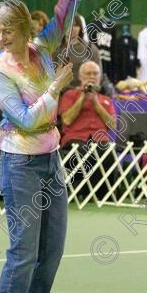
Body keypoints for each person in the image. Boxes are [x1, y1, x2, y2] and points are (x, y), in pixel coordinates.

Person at [0, 0, 74, 293]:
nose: (1, 36)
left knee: (51, 253)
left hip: (51, 160)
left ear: (25, 29)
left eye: (7, 29)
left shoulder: (43, 49)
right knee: (23, 252)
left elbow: (64, 14)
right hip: (19, 162)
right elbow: (23, 119)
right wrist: (55, 89)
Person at [58, 61, 117, 199]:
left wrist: (96, 103)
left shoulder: (105, 99)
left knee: (107, 151)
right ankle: (81, 190)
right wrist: (82, 98)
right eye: (88, 73)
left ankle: (103, 194)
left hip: (99, 139)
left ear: (100, 77)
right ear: (80, 77)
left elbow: (112, 125)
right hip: (76, 140)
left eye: (95, 74)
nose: (92, 76)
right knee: (85, 151)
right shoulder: (70, 95)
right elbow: (66, 120)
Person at [54, 14, 103, 90]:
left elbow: (99, 74)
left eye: (75, 25)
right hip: (62, 93)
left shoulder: (91, 48)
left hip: (86, 92)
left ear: (80, 28)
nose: (71, 29)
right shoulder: (56, 50)